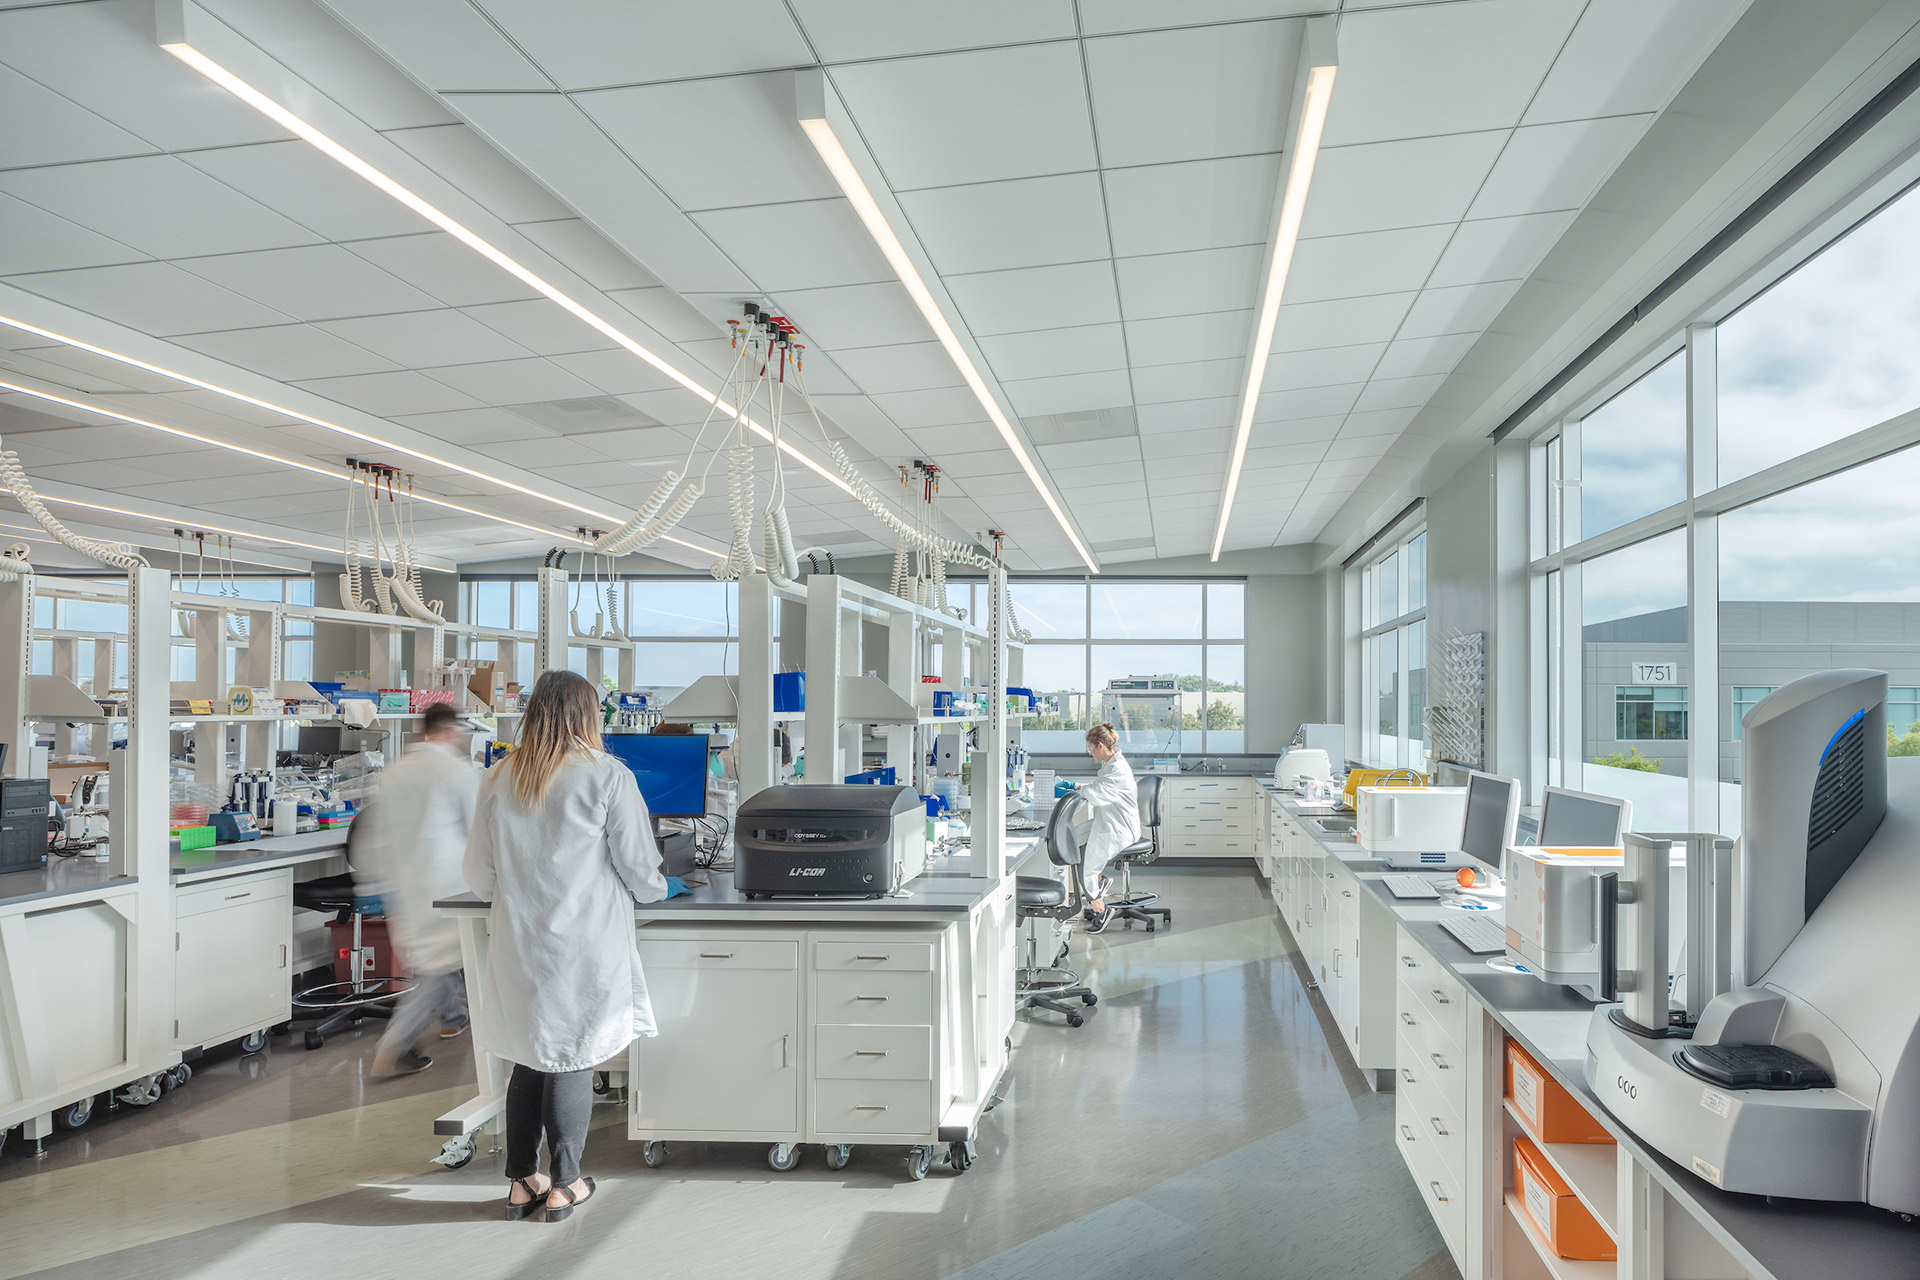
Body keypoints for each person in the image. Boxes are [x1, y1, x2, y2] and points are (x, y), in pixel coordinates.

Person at [463, 671, 688, 1223]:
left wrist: (519, 898)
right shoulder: (607, 775)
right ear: (588, 715)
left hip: (520, 942)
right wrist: (661, 889)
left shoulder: (497, 777)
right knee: (573, 1058)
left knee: (530, 1056)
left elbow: (478, 874)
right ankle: (565, 1184)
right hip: (584, 943)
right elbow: (639, 868)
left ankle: (521, 1182)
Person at [355, 701, 480, 1078]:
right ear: (451, 731)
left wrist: (376, 886)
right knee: (437, 968)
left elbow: (373, 834)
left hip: (405, 883)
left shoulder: (394, 772)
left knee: (439, 961)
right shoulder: (457, 770)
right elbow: (479, 831)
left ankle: (453, 1018)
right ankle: (394, 1045)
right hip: (448, 884)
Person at [1074, 722, 1141, 934]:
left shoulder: (1117, 769)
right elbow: (1098, 789)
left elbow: (1098, 794)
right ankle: (1099, 883)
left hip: (1118, 827)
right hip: (1109, 821)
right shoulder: (1112, 764)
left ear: (1100, 746)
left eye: (1090, 749)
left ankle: (1101, 910)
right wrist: (1078, 788)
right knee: (1072, 843)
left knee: (1085, 862)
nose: (1090, 753)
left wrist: (1075, 788)